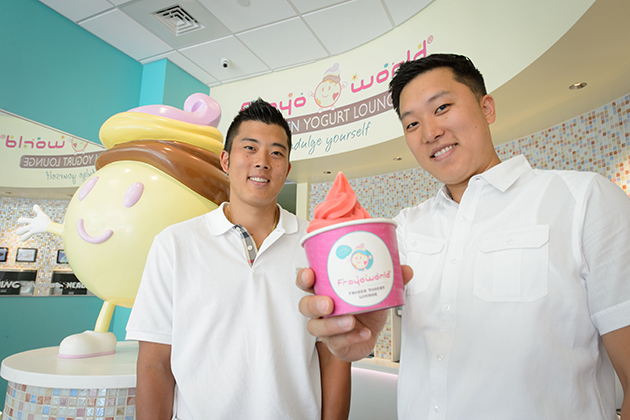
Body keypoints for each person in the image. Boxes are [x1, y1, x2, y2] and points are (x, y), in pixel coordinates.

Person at [297, 54, 630, 419]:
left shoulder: (584, 200)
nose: (429, 133)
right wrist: (354, 331)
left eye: (442, 107)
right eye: (411, 124)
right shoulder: (405, 227)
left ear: (487, 107)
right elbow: (368, 322)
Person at [127, 98, 351, 420]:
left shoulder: (317, 245)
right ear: (226, 160)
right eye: (249, 148)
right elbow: (155, 362)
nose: (262, 162)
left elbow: (333, 355)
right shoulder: (175, 245)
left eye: (276, 152)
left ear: (286, 169)